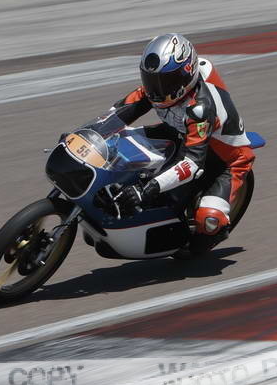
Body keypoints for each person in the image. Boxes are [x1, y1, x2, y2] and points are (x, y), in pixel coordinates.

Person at [106, 33, 255, 251]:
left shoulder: (200, 108)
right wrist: (86, 132)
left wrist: (148, 188)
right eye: (152, 80)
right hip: (183, 134)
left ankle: (212, 234)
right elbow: (117, 114)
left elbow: (192, 163)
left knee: (209, 219)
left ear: (187, 74)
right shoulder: (159, 90)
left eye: (167, 81)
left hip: (226, 160)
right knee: (119, 143)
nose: (158, 89)